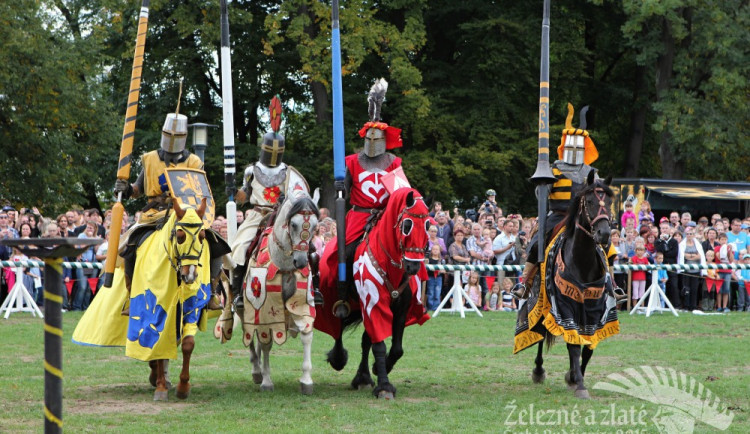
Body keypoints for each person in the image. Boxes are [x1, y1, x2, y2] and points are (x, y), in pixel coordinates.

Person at [114, 101, 227, 314]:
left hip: (185, 213)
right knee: (129, 246)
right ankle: (132, 296)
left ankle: (211, 292)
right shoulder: (149, 159)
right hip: (155, 213)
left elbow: (200, 191)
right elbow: (138, 188)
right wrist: (126, 189)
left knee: (215, 243)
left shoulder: (193, 161)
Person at [514, 104, 625, 302]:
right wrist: (543, 185)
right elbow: (542, 195)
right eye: (571, 145)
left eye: (578, 146)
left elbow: (600, 199)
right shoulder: (554, 169)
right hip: (558, 215)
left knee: (606, 244)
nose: (574, 149)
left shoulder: (591, 172)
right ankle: (525, 282)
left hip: (584, 217)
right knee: (538, 241)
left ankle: (612, 284)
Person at [323, 79, 409, 318]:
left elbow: (402, 195)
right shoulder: (351, 161)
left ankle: (409, 297)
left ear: (384, 140)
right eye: (368, 139)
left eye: (376, 139)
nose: (372, 144)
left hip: (386, 218)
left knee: (410, 255)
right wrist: (340, 184)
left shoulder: (393, 162)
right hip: (359, 217)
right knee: (341, 254)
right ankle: (344, 294)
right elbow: (344, 192)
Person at [229, 97, 309, 310]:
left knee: (302, 246)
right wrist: (233, 191)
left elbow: (298, 196)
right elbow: (244, 197)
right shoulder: (251, 171)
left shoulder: (289, 173)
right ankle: (237, 293)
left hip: (280, 217)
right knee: (240, 248)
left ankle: (312, 288)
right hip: (257, 216)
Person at [677, 227, 706, 311]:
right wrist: (693, 256)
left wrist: (689, 256)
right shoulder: (682, 244)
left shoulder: (698, 244)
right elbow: (683, 255)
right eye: (688, 234)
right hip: (686, 270)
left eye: (691, 234)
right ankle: (686, 305)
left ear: (693, 235)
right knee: (686, 289)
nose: (689, 235)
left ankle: (693, 306)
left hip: (696, 270)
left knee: (694, 289)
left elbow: (700, 255)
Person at [714, 232, 734, 312]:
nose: (724, 241)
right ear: (719, 240)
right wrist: (723, 249)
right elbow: (719, 258)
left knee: (726, 289)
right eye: (722, 239)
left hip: (727, 271)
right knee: (719, 290)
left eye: (725, 240)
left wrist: (730, 250)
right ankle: (719, 306)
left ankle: (725, 306)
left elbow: (731, 260)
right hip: (719, 271)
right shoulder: (717, 248)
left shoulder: (729, 248)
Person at [425, 245, 445, 311]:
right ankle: (430, 307)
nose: (435, 250)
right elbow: (426, 268)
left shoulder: (442, 260)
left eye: (437, 249)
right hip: (430, 278)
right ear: (431, 251)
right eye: (434, 249)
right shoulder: (429, 260)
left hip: (439, 278)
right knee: (430, 293)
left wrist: (441, 270)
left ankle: (436, 308)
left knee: (437, 293)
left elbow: (445, 269)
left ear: (439, 251)